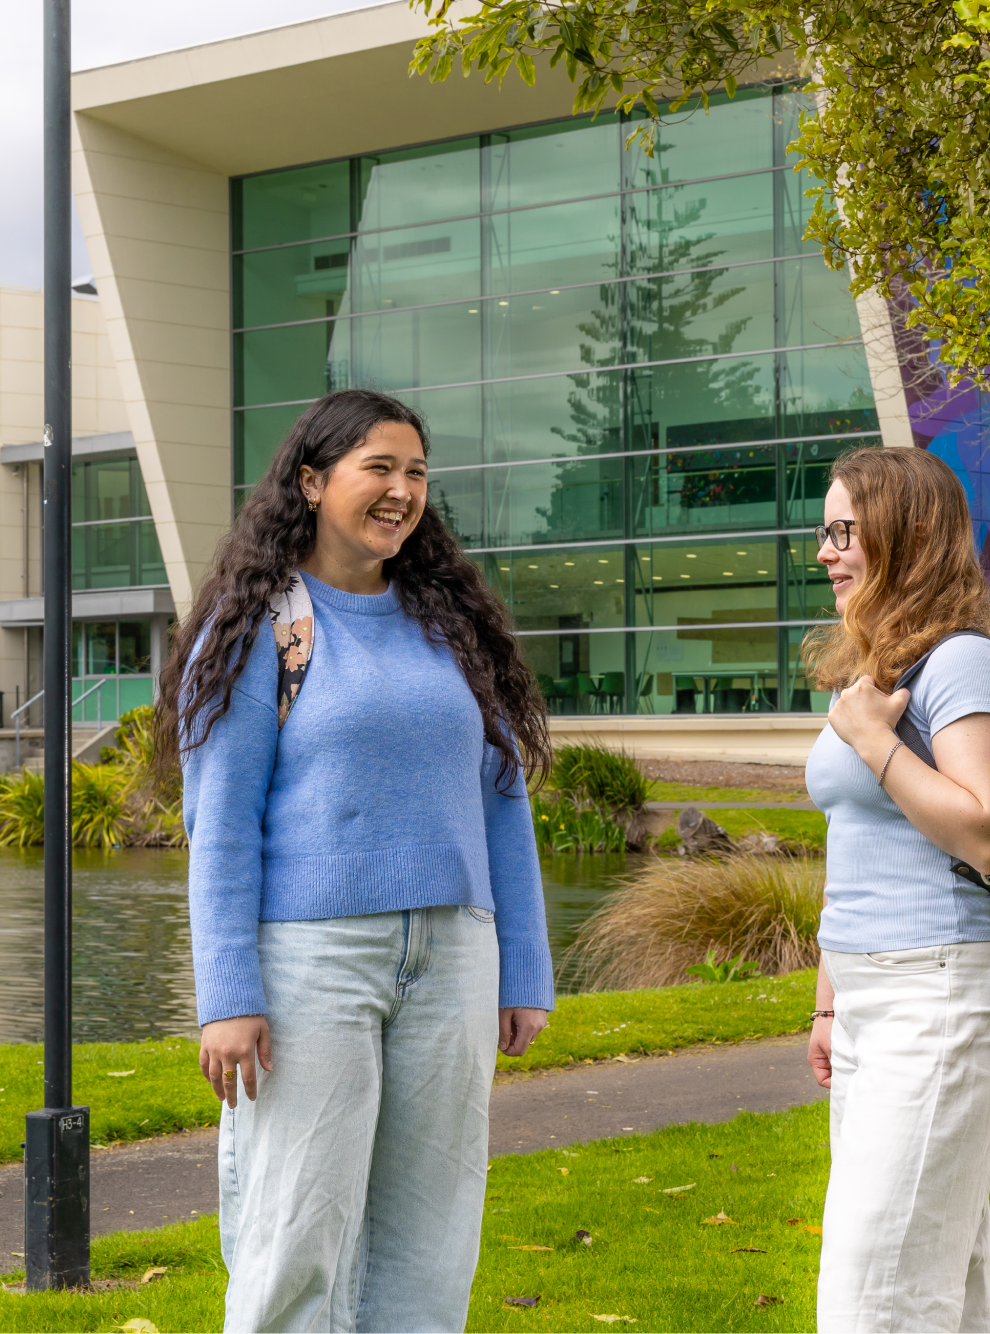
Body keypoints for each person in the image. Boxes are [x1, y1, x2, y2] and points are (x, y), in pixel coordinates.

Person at [158, 388, 556, 1334]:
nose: (402, 490)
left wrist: (524, 967)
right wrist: (228, 994)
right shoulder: (264, 624)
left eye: (416, 473)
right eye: (379, 467)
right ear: (311, 481)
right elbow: (220, 824)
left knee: (433, 1232)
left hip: (455, 957)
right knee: (298, 1228)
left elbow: (502, 802)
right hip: (312, 964)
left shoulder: (446, 623)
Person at [802, 446, 990, 1333]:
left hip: (939, 1000)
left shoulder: (965, 664)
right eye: (825, 531)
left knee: (876, 1303)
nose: (825, 551)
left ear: (912, 534)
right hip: (873, 1001)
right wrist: (831, 1002)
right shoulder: (882, 673)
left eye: (846, 530)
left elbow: (986, 828)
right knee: (938, 1290)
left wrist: (874, 743)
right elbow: (856, 841)